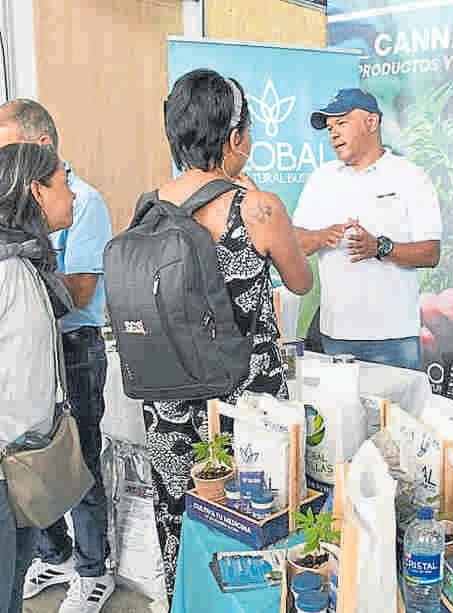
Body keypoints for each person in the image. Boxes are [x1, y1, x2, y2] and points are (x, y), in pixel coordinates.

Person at [143, 68, 312, 601]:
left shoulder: (148, 207)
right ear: (235, 138)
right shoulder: (258, 209)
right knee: (257, 526)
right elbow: (301, 281)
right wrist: (255, 193)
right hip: (247, 404)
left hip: (169, 405)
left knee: (182, 523)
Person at [0, 100, 114, 612]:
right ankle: (53, 555)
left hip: (70, 358)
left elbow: (82, 290)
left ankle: (90, 569)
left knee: (75, 463)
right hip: (11, 447)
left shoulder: (31, 257)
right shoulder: (12, 268)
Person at [293, 88, 442, 370]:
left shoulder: (410, 176)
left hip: (394, 337)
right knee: (337, 402)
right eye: (330, 128)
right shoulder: (321, 179)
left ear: (372, 122)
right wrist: (322, 236)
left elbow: (430, 253)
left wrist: (380, 247)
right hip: (336, 336)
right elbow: (296, 243)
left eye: (342, 123)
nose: (334, 134)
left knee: (396, 402)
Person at [0, 143, 74, 613]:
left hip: (21, 467)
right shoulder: (5, 270)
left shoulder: (24, 263)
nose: (73, 194)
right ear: (37, 191)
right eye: (65, 182)